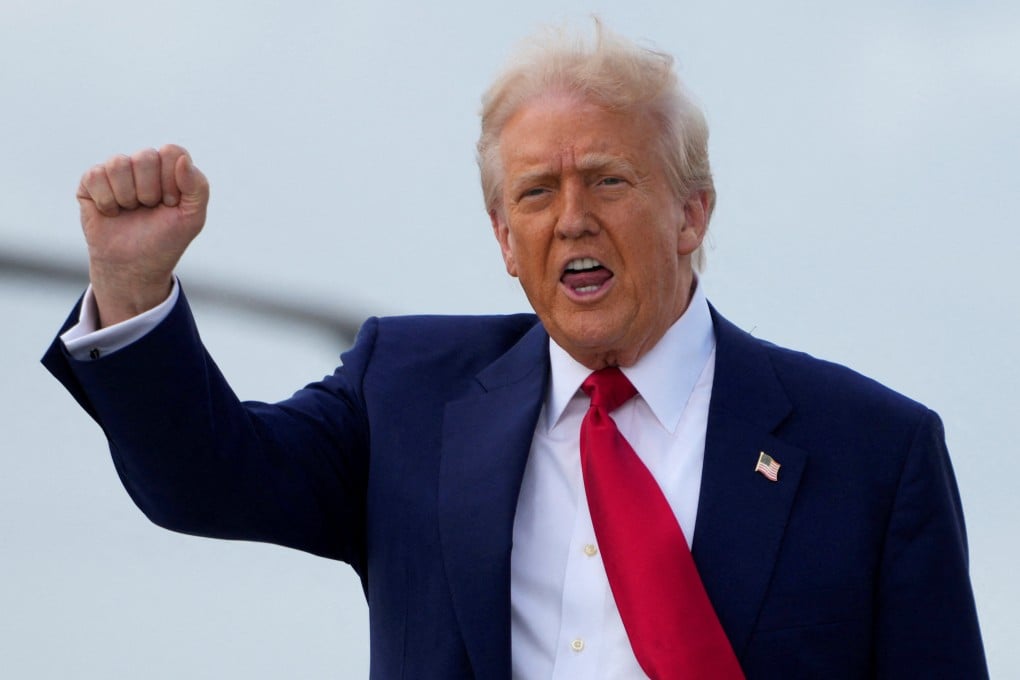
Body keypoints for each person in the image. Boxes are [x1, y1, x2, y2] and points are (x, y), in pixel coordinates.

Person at [43, 21, 987, 679]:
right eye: (536, 194)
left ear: (693, 211)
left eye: (609, 181)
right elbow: (205, 479)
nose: (571, 219)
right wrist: (133, 288)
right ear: (502, 237)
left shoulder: (874, 451)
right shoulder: (404, 395)